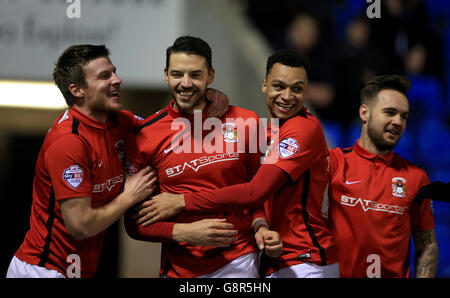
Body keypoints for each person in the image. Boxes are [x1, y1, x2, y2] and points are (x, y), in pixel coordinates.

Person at [138, 49, 340, 278]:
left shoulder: (302, 129)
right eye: (278, 86)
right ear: (264, 85)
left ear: (307, 92)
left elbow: (254, 191)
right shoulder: (266, 131)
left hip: (307, 260)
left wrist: (182, 201)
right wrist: (260, 225)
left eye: (297, 89)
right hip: (276, 258)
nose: (287, 96)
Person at [124, 35, 282, 278]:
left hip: (238, 262)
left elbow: (259, 194)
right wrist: (184, 232)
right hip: (177, 269)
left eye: (195, 75)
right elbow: (134, 223)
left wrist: (260, 225)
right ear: (166, 74)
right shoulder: (144, 135)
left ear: (211, 76)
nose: (185, 83)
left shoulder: (248, 122)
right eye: (177, 74)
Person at [6, 45, 157, 278]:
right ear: (77, 90)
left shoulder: (119, 122)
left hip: (77, 271)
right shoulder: (69, 142)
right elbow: (80, 226)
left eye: (114, 72)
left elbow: (169, 132)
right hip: (43, 270)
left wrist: (209, 102)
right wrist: (129, 196)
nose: (117, 80)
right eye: (104, 76)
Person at [327, 75, 438, 277]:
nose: (398, 122)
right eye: (390, 112)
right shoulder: (333, 163)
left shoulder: (416, 177)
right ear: (364, 113)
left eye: (404, 116)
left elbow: (427, 244)